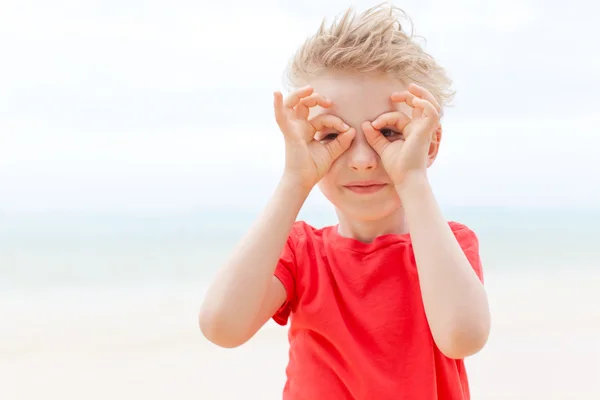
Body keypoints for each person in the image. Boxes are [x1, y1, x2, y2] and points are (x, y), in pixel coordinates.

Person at [199, 4, 491, 399]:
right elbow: (222, 326)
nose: (363, 160)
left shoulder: (448, 245)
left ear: (430, 143)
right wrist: (294, 180)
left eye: (388, 132)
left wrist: (413, 177)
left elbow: (462, 337)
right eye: (331, 137)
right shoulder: (301, 253)